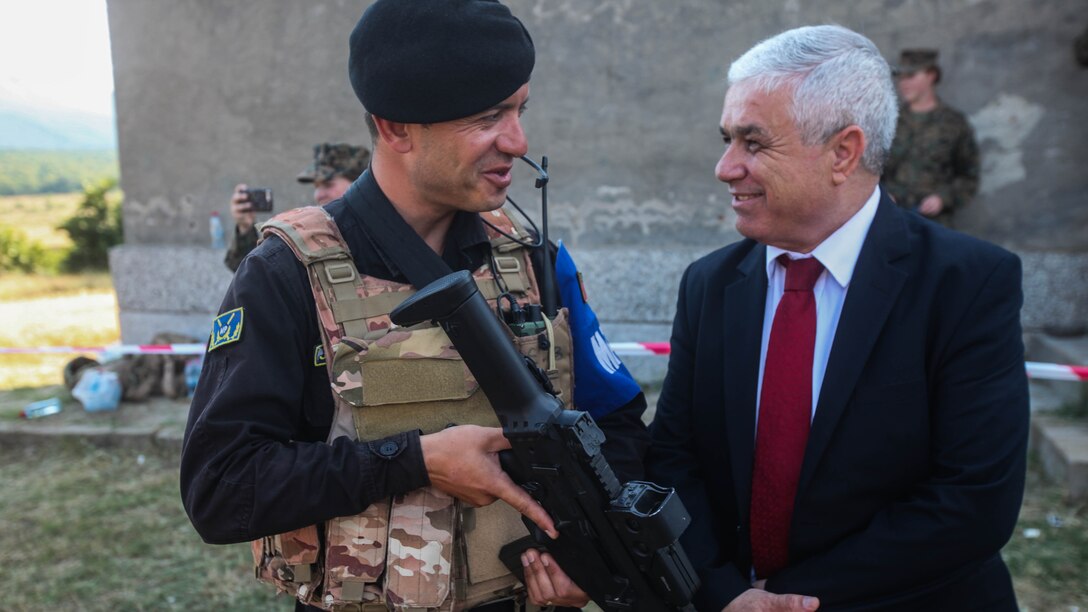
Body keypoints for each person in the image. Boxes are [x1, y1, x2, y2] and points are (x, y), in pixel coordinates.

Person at [181, 1, 646, 610]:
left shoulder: (532, 259)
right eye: (487, 117)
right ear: (396, 127)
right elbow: (221, 488)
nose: (518, 139)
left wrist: (589, 555)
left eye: (519, 109)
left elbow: (616, 426)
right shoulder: (285, 273)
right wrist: (415, 462)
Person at [646, 25, 1028, 612]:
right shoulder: (711, 284)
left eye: (753, 143)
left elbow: (972, 500)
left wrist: (785, 600)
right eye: (726, 139)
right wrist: (723, 592)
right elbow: (674, 459)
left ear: (843, 153)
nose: (726, 167)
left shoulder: (965, 284)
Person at [223, 142, 370, 271]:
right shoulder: (313, 233)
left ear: (359, 183)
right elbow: (257, 276)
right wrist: (245, 228)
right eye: (316, 186)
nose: (318, 195)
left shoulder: (380, 230)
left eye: (327, 184)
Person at [881, 48, 980, 228]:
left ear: (931, 75)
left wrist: (943, 198)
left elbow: (968, 176)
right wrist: (881, 195)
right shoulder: (888, 120)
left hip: (935, 224)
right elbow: (868, 168)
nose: (903, 83)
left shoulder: (953, 123)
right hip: (891, 217)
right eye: (900, 77)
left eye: (911, 76)